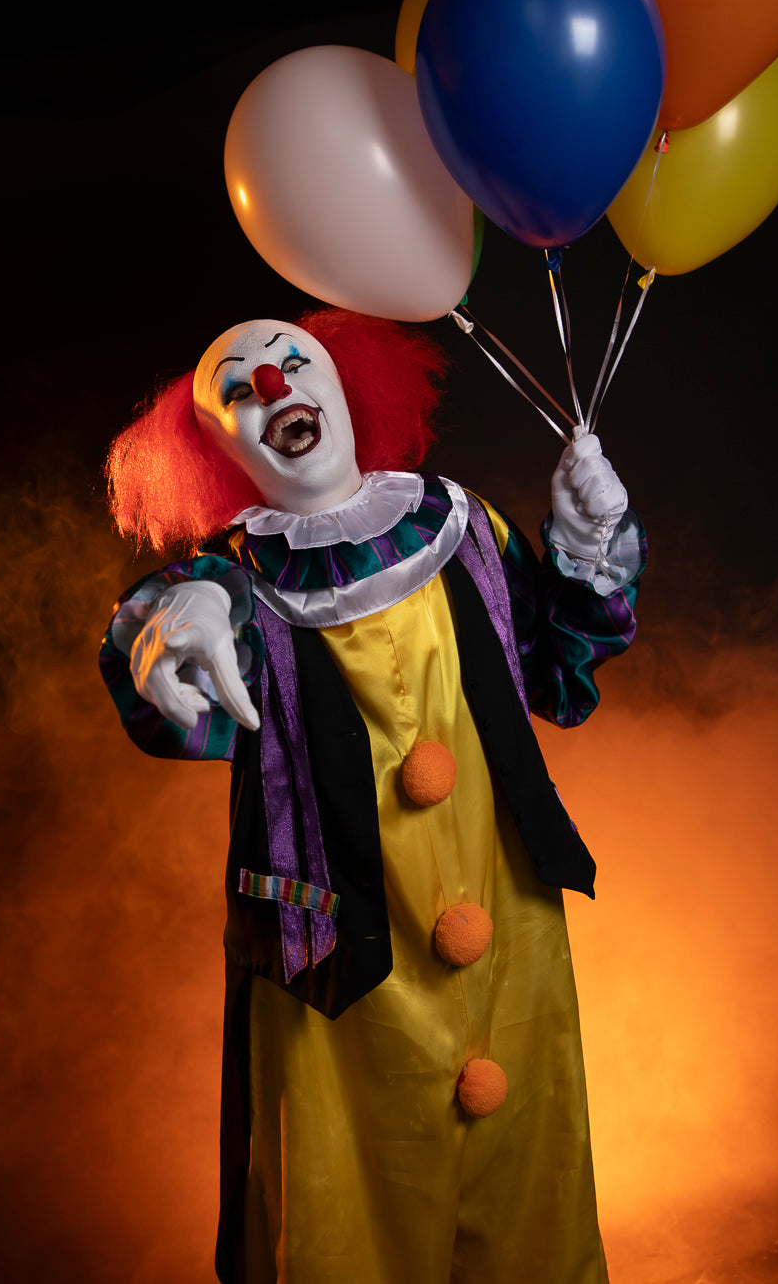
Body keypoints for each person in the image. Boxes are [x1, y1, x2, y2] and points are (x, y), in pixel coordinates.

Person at [100, 308, 645, 1284]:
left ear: (346, 384)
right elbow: (175, 709)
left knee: (530, 1195)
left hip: (513, 934)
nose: (273, 388)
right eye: (238, 392)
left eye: (292, 363)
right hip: (338, 957)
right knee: (346, 1216)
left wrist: (585, 541)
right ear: (219, 449)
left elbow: (558, 671)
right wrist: (173, 611)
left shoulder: (460, 524)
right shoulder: (234, 582)